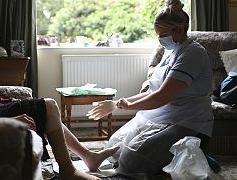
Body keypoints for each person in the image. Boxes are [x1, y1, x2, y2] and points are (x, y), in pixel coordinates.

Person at [0, 24, 119, 180]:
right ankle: (68, 171)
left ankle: (88, 157)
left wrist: (11, 101)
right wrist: (8, 122)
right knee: (49, 104)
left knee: (48, 108)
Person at [87, 0, 214, 177]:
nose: (160, 39)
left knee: (132, 160)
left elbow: (161, 97)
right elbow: (152, 91)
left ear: (179, 30)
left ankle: (195, 155)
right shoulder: (172, 50)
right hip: (162, 115)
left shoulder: (192, 53)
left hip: (188, 121)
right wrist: (117, 103)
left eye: (162, 34)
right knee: (114, 148)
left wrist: (124, 106)